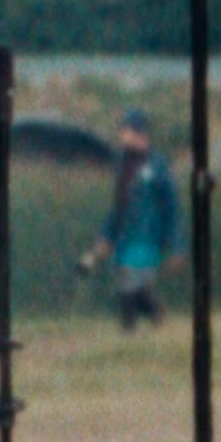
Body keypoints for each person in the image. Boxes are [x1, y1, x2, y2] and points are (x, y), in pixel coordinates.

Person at [90, 118, 181, 331]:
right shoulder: (124, 166)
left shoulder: (157, 165)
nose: (122, 137)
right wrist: (106, 236)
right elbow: (118, 206)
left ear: (141, 135)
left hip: (149, 237)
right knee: (128, 286)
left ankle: (140, 323)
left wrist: (176, 244)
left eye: (127, 132)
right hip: (125, 238)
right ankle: (142, 324)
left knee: (133, 287)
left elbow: (171, 207)